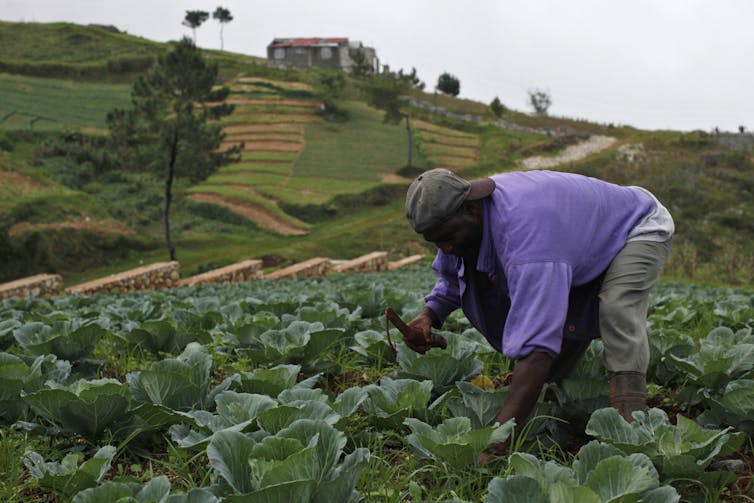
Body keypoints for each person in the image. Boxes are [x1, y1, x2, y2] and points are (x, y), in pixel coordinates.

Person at [403, 168, 673, 460]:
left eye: (447, 238)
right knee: (556, 318)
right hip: (577, 238)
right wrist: (430, 315)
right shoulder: (463, 219)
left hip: (637, 225)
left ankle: (631, 416)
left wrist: (497, 443)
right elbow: (456, 271)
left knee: (616, 306)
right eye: (435, 242)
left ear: (471, 208)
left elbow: (537, 349)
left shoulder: (529, 239)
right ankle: (548, 399)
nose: (445, 247)